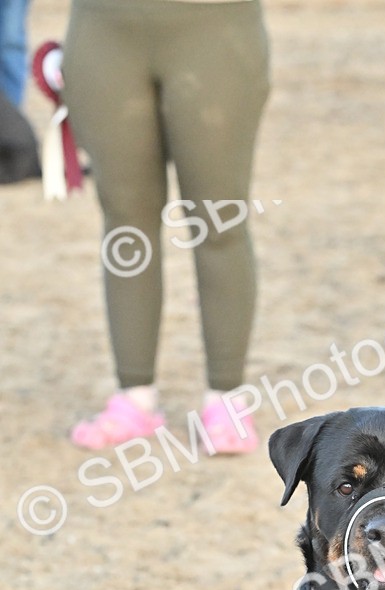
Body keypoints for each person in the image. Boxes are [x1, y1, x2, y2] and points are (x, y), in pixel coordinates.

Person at [61, 0, 270, 452]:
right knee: (125, 219)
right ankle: (133, 397)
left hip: (216, 27)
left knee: (220, 220)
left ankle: (226, 398)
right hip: (103, 29)